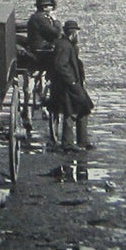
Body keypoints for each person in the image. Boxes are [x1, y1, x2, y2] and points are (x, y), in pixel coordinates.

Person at [48, 18, 95, 151]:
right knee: (72, 111)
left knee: (82, 108)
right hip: (67, 86)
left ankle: (82, 141)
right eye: (76, 32)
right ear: (72, 33)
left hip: (71, 84)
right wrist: (72, 81)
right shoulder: (64, 46)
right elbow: (60, 66)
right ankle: (69, 143)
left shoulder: (67, 44)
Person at [21, 0, 61, 71]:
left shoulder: (37, 17)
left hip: (38, 47)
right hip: (41, 49)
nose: (52, 8)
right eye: (51, 6)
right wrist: (55, 20)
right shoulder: (40, 19)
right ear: (45, 7)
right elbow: (55, 33)